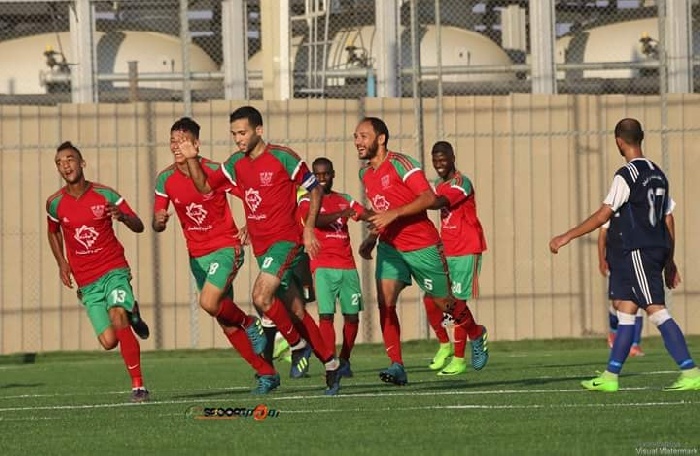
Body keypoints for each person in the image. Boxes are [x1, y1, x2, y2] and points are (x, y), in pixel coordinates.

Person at [179, 105, 342, 395]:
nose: (238, 139)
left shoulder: (282, 157)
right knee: (295, 310)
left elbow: (314, 188)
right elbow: (204, 187)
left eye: (242, 133)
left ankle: (296, 345)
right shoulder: (235, 164)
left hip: (286, 241)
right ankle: (331, 365)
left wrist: (307, 229)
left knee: (260, 296)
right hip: (263, 246)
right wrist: (192, 159)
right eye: (234, 134)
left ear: (259, 130)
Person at [550, 118, 700, 392]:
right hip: (654, 250)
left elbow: (603, 214)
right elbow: (669, 219)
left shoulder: (627, 174)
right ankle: (610, 376)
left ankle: (690, 371)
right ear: (641, 137)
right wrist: (669, 259)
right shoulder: (658, 173)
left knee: (656, 311)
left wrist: (567, 235)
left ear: (619, 141)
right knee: (626, 310)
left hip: (638, 251)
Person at [354, 117, 488, 386]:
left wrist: (394, 215)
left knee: (444, 303)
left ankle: (476, 332)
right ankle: (397, 365)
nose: (358, 142)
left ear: (381, 139)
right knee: (385, 301)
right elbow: (383, 211)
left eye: (363, 136)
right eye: (356, 137)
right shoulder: (365, 174)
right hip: (391, 247)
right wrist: (372, 236)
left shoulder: (402, 164)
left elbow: (428, 199)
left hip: (423, 246)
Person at [152, 117, 278, 394]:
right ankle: (266, 373)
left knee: (210, 302)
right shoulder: (165, 179)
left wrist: (251, 224)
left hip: (225, 247)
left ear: (195, 144)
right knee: (224, 319)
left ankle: (250, 322)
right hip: (197, 257)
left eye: (182, 140)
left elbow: (250, 195)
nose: (176, 146)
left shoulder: (214, 171)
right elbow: (156, 220)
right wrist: (159, 221)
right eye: (173, 140)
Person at [46, 141, 150, 402]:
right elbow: (53, 232)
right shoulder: (55, 203)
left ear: (82, 163)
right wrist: (62, 263)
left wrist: (123, 217)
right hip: (87, 281)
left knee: (117, 315)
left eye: (69, 159)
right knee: (108, 341)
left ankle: (138, 386)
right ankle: (133, 312)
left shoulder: (105, 195)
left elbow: (139, 225)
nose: (65, 165)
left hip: (113, 269)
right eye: (59, 162)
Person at [425, 141, 488, 376]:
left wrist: (416, 199)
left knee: (457, 303)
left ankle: (461, 357)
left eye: (443, 159)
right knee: (431, 298)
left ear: (452, 157)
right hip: (446, 250)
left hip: (466, 249)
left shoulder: (462, 183)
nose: (439, 164)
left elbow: (438, 203)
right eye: (435, 160)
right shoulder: (438, 184)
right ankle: (445, 344)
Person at [298, 157, 365, 377]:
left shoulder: (344, 199)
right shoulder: (307, 200)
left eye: (325, 174)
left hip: (347, 265)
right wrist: (341, 215)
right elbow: (315, 220)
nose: (322, 179)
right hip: (322, 265)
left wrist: (381, 220)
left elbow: (363, 213)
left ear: (333, 174)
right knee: (326, 316)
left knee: (352, 317)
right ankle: (331, 361)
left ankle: (344, 359)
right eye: (317, 175)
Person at [598, 217, 645, 357]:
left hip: (636, 263)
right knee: (617, 304)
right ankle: (613, 332)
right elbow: (602, 235)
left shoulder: (639, 210)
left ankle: (634, 344)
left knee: (637, 303)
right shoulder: (612, 208)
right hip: (616, 263)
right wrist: (602, 260)